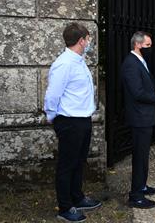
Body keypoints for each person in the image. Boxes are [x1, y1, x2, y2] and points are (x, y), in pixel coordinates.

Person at [44, 22, 101, 222]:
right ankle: (65, 207)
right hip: (69, 121)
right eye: (87, 39)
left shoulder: (78, 60)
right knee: (67, 165)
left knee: (79, 161)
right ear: (80, 41)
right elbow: (52, 95)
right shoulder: (64, 64)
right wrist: (54, 118)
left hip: (82, 119)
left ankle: (77, 197)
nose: (89, 42)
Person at [121, 31, 155, 209]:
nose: (151, 49)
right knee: (140, 157)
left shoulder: (139, 61)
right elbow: (138, 93)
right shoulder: (131, 64)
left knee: (144, 156)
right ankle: (135, 196)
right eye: (148, 45)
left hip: (145, 117)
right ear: (138, 45)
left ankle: (142, 185)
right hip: (139, 118)